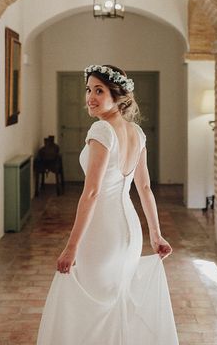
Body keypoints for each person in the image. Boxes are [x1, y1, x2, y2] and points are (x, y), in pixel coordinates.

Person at [37, 64, 178, 345]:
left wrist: (71, 247)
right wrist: (155, 234)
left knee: (97, 305)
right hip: (129, 231)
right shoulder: (136, 132)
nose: (90, 96)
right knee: (116, 301)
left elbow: (91, 193)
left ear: (118, 96)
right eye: (88, 89)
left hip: (103, 233)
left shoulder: (101, 129)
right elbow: (145, 187)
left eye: (99, 90)